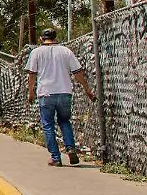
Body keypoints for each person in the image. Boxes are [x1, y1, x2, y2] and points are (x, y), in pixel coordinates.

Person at [26, 28, 96, 166]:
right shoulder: (66, 51)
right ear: (55, 37)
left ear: (41, 39)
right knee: (64, 121)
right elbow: (78, 72)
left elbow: (32, 75)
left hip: (46, 93)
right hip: (64, 92)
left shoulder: (36, 52)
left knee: (48, 125)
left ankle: (56, 157)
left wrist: (31, 93)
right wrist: (87, 89)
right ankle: (70, 147)